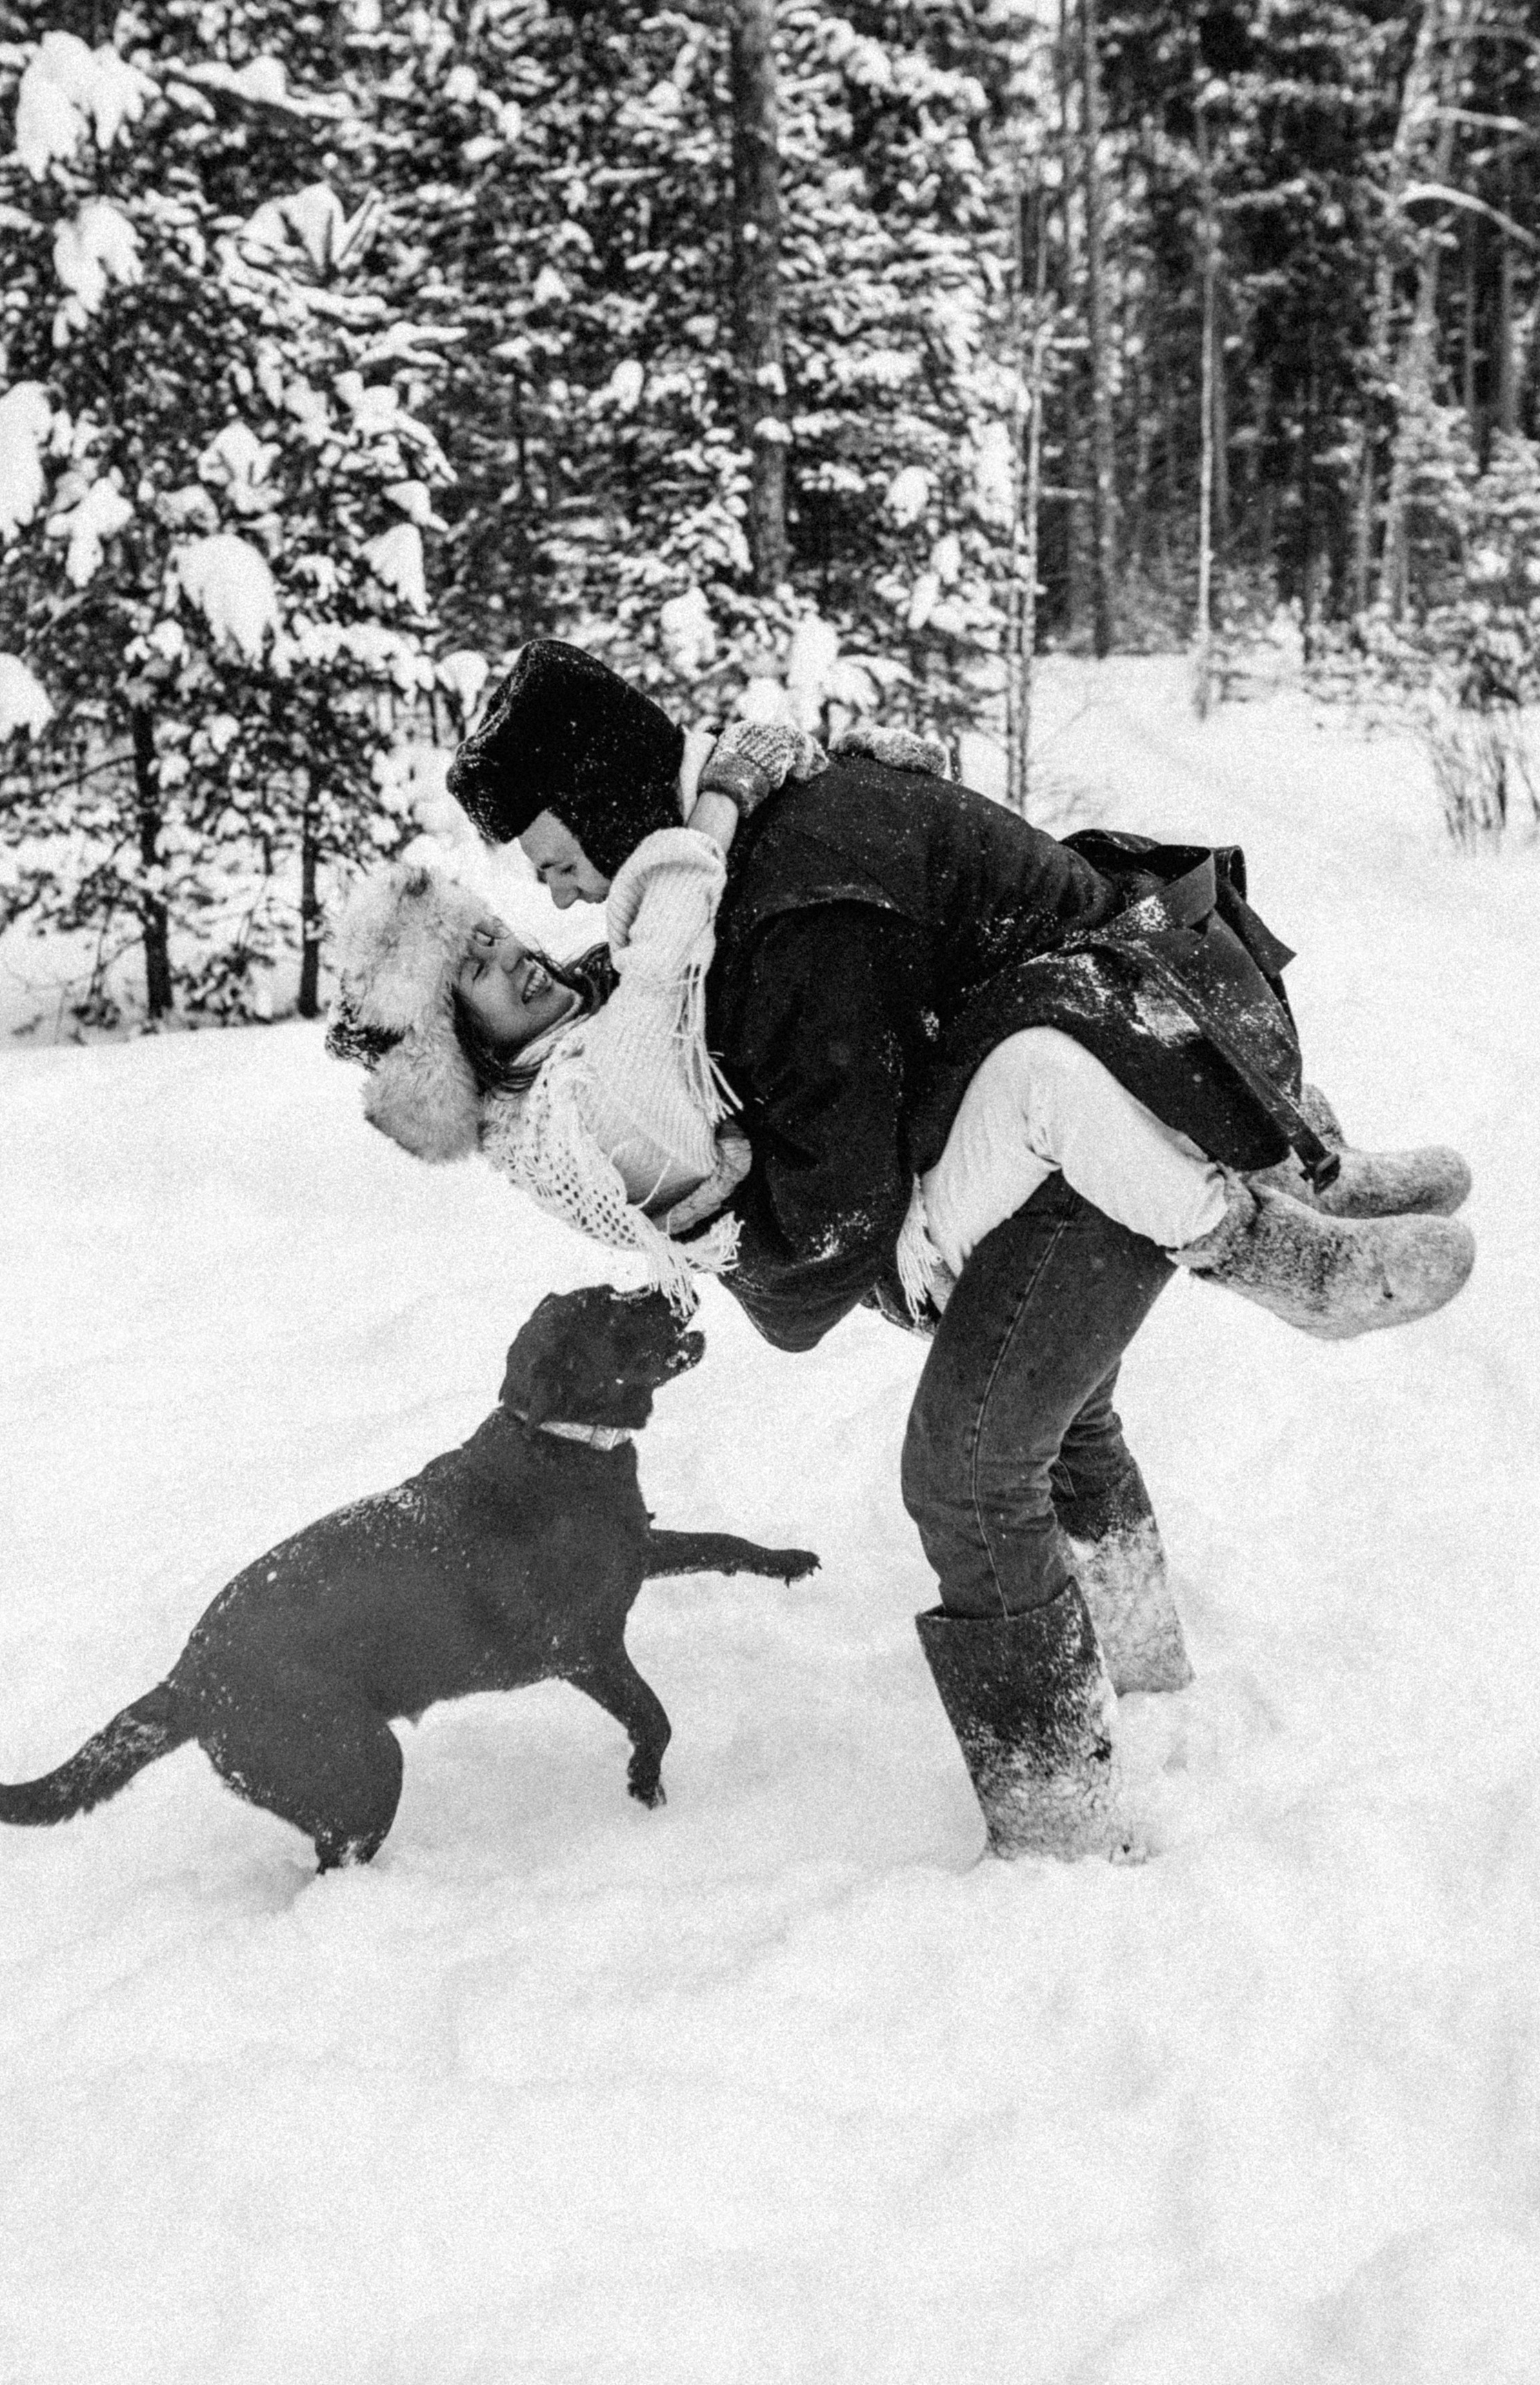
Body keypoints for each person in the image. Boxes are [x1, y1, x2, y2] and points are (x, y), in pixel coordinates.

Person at [336, 641, 1474, 1862]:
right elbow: (659, 956)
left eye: (559, 863)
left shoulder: (781, 913)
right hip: (1162, 1019)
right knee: (1060, 1406)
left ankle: (1060, 1822)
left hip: (1089, 1105)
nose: (558, 907)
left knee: (970, 1467)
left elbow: (838, 1216)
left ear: (608, 799)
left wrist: (768, 1284)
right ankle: (1149, 1657)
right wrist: (730, 788)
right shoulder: (737, 867)